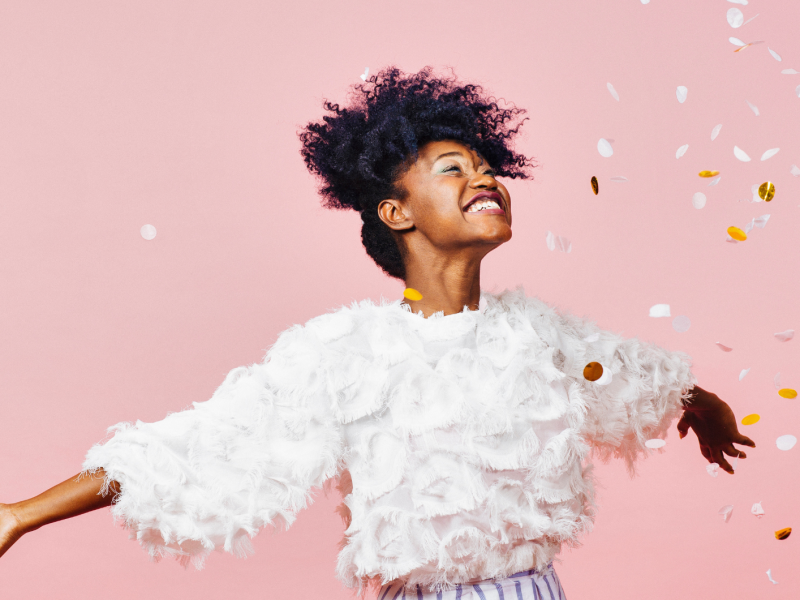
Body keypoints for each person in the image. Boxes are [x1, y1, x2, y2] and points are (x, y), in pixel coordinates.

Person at [0, 67, 755, 599]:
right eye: (453, 168)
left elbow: (630, 374)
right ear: (396, 212)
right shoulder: (346, 355)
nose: (484, 178)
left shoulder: (540, 335)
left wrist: (705, 405)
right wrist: (23, 515)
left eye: (488, 167)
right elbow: (205, 445)